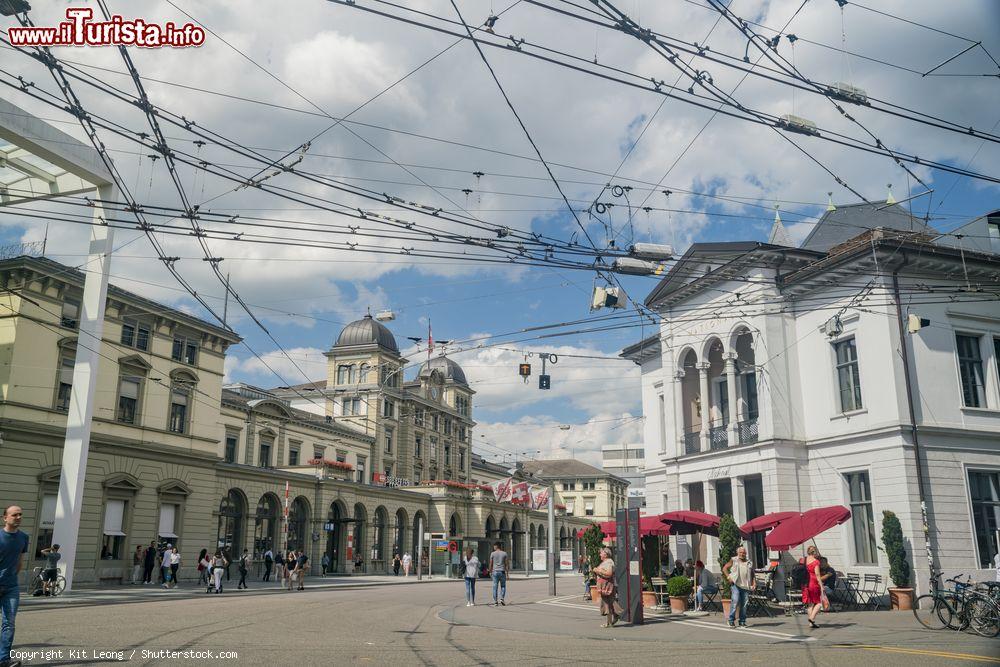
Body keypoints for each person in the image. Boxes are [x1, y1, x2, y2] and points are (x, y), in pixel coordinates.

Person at [1, 505, 29, 667]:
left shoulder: (23, 537)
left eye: (20, 514)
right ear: (5, 518)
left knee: (9, 623)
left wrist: (11, 578)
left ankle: (3, 659)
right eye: (14, 515)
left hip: (11, 587)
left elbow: (19, 562)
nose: (18, 517)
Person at [722, 545, 755, 628]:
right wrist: (728, 577)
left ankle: (742, 621)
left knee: (744, 604)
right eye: (740, 552)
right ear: (737, 553)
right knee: (735, 601)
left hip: (746, 586)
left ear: (746, 553)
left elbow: (752, 574)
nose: (742, 554)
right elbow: (725, 568)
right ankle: (731, 620)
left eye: (743, 552)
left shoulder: (749, 562)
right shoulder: (734, 560)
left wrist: (754, 583)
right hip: (736, 584)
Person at [593, 547, 622, 628]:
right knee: (608, 603)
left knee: (608, 603)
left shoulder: (609, 562)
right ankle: (612, 619)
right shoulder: (606, 562)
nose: (600, 554)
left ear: (605, 554)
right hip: (605, 586)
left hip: (608, 586)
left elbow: (609, 573)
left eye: (601, 553)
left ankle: (616, 614)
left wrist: (597, 570)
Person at [802, 546, 823, 628]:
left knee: (810, 604)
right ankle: (812, 618)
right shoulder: (816, 562)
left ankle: (811, 623)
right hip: (813, 583)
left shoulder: (804, 560)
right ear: (814, 552)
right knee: (819, 602)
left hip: (805, 583)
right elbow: (817, 575)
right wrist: (821, 585)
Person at [489, 541, 509, 606]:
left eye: (494, 546)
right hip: (502, 572)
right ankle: (502, 599)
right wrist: (507, 573)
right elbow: (506, 564)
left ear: (496, 546)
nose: (493, 547)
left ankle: (495, 601)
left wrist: (490, 571)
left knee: (495, 587)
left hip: (495, 572)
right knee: (503, 586)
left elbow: (491, 563)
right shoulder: (504, 553)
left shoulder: (492, 554)